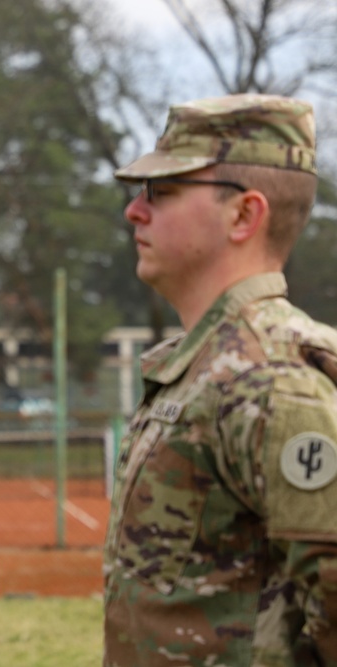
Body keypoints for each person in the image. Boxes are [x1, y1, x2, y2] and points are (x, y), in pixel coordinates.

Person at [103, 93, 337, 665]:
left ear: (243, 215)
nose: (135, 211)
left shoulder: (273, 382)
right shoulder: (206, 364)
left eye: (163, 191)